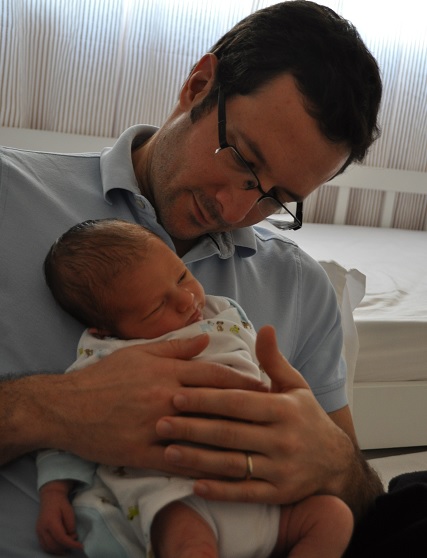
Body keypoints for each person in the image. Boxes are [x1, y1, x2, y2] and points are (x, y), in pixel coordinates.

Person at [0, 2, 384, 557]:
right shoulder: (10, 192)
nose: (236, 209)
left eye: (278, 198)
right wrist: (52, 409)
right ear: (199, 85)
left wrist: (337, 464)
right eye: (243, 159)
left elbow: (367, 509)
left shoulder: (302, 287)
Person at [36, 218, 354, 558]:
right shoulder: (105, 353)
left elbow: (261, 370)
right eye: (157, 306)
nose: (187, 300)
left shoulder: (223, 313)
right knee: (190, 546)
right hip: (181, 494)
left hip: (264, 489)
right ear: (105, 331)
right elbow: (67, 421)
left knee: (334, 517)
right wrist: (55, 491)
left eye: (182, 276)